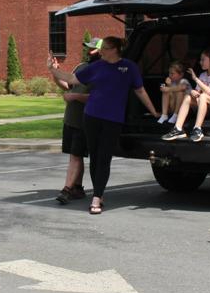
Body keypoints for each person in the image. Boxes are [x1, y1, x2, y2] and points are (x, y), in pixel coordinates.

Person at [48, 36, 159, 214]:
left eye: (105, 48)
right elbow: (71, 78)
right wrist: (52, 69)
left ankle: (97, 197)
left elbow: (140, 90)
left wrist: (154, 112)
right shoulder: (96, 66)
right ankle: (97, 194)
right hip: (91, 117)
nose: (101, 51)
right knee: (95, 157)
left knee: (104, 158)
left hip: (113, 119)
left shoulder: (129, 67)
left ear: (115, 49)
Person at [50, 37, 101, 204]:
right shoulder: (81, 67)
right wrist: (55, 71)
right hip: (71, 119)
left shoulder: (102, 71)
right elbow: (67, 86)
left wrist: (75, 96)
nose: (88, 50)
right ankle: (77, 187)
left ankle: (67, 190)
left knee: (76, 155)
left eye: (92, 48)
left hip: (85, 120)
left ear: (102, 50)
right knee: (75, 156)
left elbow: (97, 98)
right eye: (87, 47)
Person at [161, 47, 210, 143]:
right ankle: (178, 128)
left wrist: (195, 79)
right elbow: (198, 92)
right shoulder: (202, 75)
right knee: (188, 97)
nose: (200, 62)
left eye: (203, 60)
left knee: (203, 96)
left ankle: (197, 128)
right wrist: (193, 92)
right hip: (205, 107)